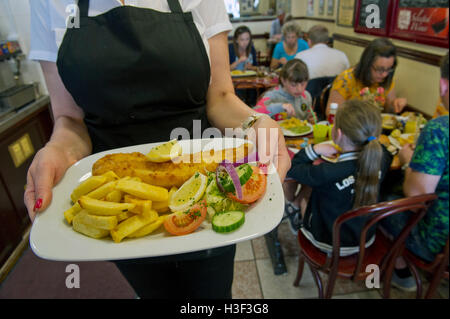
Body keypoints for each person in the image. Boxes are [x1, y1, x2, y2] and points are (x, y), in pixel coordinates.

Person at [25, 0, 291, 299]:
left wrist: (255, 122)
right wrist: (58, 148)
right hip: (122, 205)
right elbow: (70, 119)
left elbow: (220, 96)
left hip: (203, 191)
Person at [285, 99, 392, 252]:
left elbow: (293, 168)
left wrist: (315, 149)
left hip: (328, 242)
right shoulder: (382, 159)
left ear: (338, 133)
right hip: (365, 238)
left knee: (304, 197)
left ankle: (298, 218)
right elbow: (383, 149)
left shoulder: (326, 172)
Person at [381, 52, 449, 291]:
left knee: (382, 199)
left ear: (443, 84)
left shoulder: (440, 130)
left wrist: (407, 159)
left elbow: (415, 195)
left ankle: (401, 270)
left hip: (436, 243)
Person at [326, 38, 407, 116]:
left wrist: (395, 104)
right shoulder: (345, 80)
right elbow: (331, 113)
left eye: (389, 69)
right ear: (367, 64)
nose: (384, 74)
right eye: (379, 69)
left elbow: (389, 111)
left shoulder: (385, 79)